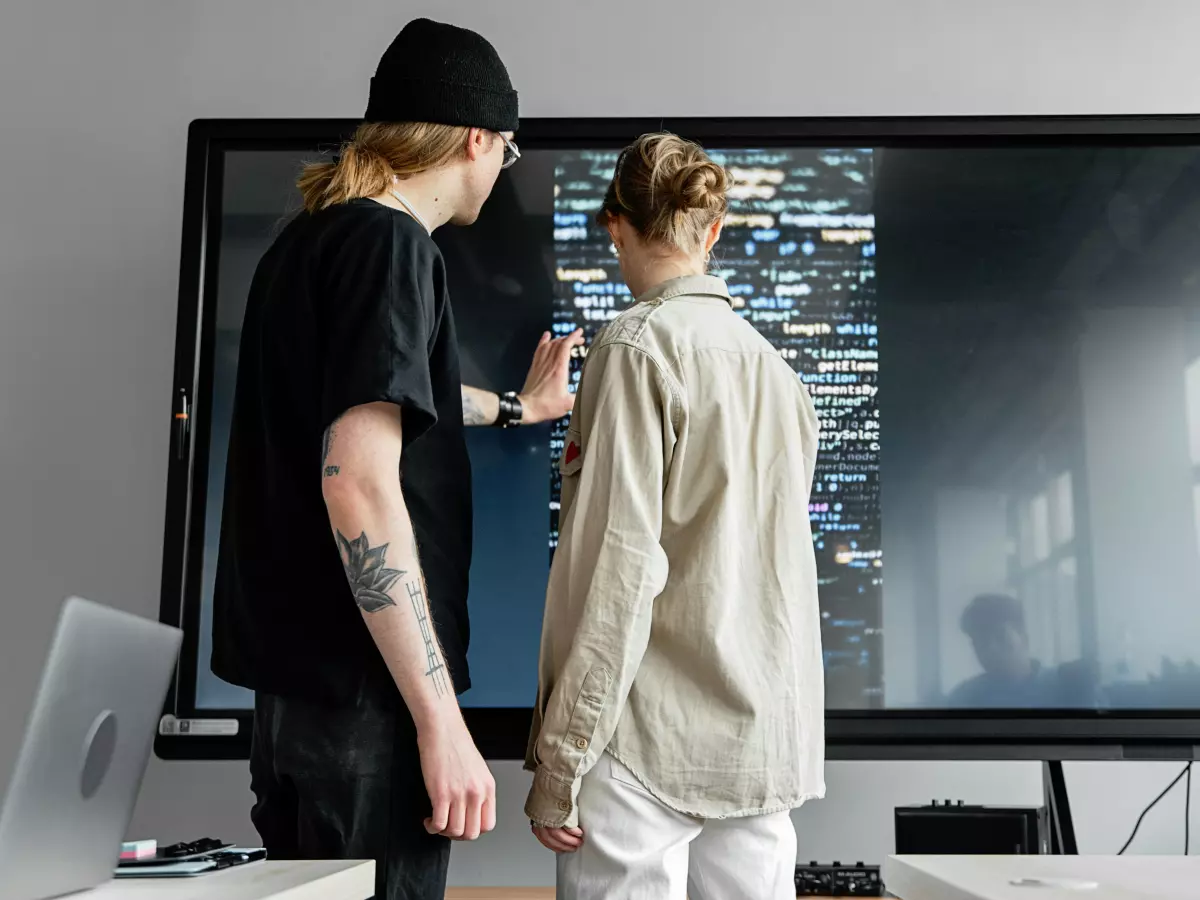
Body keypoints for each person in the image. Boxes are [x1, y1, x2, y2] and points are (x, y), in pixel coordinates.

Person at [211, 18, 581, 900]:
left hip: (295, 703)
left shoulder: (311, 241)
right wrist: (439, 718)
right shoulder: (394, 246)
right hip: (366, 710)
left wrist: (516, 409)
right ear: (477, 138)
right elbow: (359, 484)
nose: (505, 168)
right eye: (509, 149)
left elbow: (369, 393)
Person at [524, 133, 826, 900]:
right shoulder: (779, 374)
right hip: (761, 750)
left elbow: (617, 572)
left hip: (642, 750)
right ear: (712, 232)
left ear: (615, 224)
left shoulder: (636, 349)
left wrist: (561, 760)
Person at [946, 593, 1099, 708]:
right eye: (980, 641)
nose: (990, 649)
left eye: (1001, 636)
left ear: (1024, 636)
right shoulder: (963, 697)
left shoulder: (1070, 684)